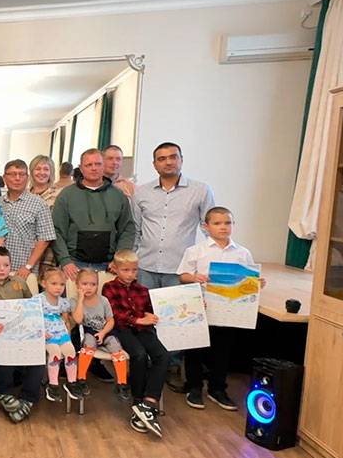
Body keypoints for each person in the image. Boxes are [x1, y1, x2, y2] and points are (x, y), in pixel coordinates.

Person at [177, 206, 265, 411]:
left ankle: (217, 389)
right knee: (195, 349)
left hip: (228, 311)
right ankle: (194, 387)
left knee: (222, 351)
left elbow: (248, 279)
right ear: (206, 226)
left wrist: (257, 283)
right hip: (201, 307)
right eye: (217, 223)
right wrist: (195, 277)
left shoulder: (242, 253)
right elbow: (183, 275)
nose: (223, 227)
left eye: (227, 223)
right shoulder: (196, 251)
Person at [102, 249, 169, 438]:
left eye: (134, 270)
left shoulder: (143, 290)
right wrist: (138, 319)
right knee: (139, 355)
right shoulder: (109, 287)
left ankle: (149, 403)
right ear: (115, 269)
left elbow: (150, 310)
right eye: (125, 270)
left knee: (162, 356)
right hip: (121, 329)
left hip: (143, 330)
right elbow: (114, 314)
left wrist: (150, 315)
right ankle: (137, 400)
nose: (130, 274)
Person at [132, 142, 216, 290]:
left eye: (173, 157)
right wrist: (129, 261)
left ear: (181, 160)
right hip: (145, 268)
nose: (168, 162)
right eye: (162, 159)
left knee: (178, 307)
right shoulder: (142, 192)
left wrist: (216, 258)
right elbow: (135, 229)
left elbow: (210, 229)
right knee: (144, 306)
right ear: (154, 164)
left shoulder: (201, 190)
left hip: (181, 269)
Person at [0, 246, 44, 422]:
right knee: (3, 349)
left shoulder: (19, 282)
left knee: (38, 354)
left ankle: (28, 399)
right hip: (0, 331)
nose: (2, 269)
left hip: (24, 330)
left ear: (10, 266)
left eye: (6, 265)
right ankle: (4, 393)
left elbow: (31, 306)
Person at [52, 148, 135, 281]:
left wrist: (119, 260)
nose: (94, 168)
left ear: (104, 166)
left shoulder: (118, 195)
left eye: (98, 164)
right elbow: (56, 230)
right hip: (73, 266)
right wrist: (65, 260)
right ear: (81, 168)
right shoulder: (66, 195)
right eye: (88, 165)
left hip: (109, 266)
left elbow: (127, 229)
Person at [72, 269, 130, 400]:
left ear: (97, 286)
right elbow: (78, 320)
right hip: (88, 330)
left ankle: (122, 383)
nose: (89, 287)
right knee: (89, 344)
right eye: (84, 284)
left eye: (93, 284)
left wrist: (103, 333)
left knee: (116, 349)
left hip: (105, 331)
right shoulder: (74, 301)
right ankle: (81, 379)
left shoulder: (103, 300)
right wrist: (80, 300)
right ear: (77, 285)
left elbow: (110, 320)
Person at [0, 159, 55, 279]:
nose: (17, 178)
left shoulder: (39, 204)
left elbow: (45, 239)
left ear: (27, 178)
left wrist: (28, 266)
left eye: (21, 174)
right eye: (12, 174)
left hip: (24, 272)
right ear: (4, 178)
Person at [38, 267, 81, 402]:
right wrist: (41, 332)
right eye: (54, 284)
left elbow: (66, 319)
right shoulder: (38, 300)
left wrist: (67, 332)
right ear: (44, 283)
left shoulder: (63, 302)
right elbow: (32, 318)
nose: (58, 288)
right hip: (47, 333)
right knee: (55, 352)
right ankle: (53, 385)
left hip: (61, 332)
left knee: (71, 351)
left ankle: (71, 382)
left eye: (62, 284)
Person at [29, 155, 62, 274]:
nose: (42, 172)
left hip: (49, 254)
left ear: (51, 172)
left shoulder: (59, 196)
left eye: (46, 169)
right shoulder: (24, 194)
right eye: (38, 169)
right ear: (31, 171)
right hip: (25, 251)